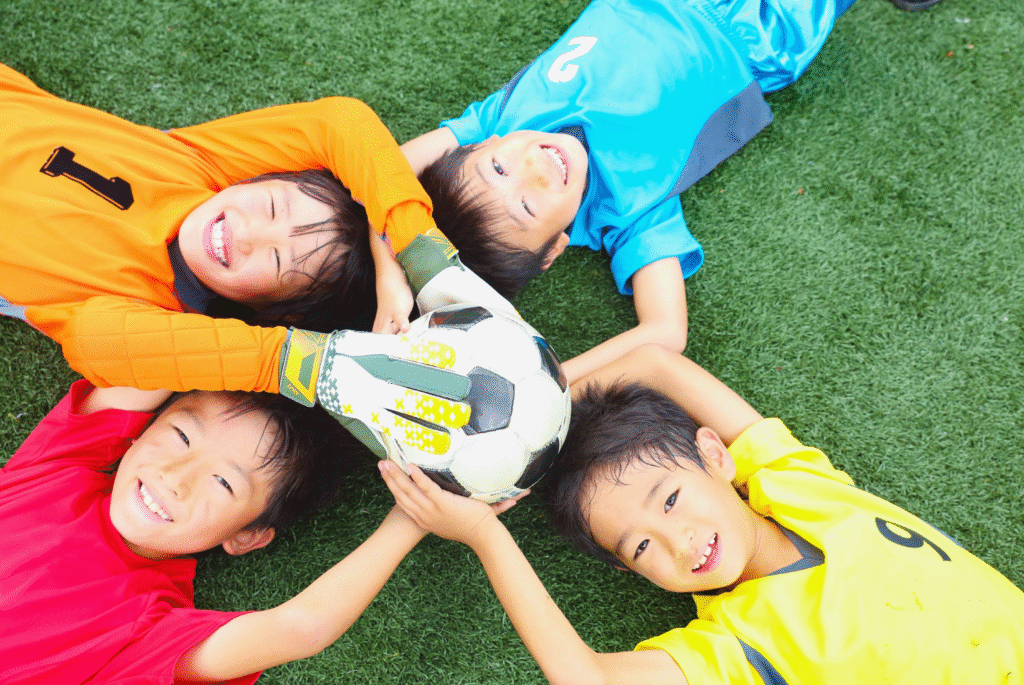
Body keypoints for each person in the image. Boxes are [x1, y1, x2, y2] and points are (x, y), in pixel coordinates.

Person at [382, 343, 1024, 683]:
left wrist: (518, 431)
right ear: (629, 572)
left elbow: (656, 365)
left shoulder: (797, 484)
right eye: (639, 548)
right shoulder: (737, 648)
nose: (679, 541)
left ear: (716, 456)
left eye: (669, 498)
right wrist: (484, 534)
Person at [402, 0, 882, 385]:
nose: (535, 169)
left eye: (500, 168)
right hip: (758, 32)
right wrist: (549, 385)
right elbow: (666, 331)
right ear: (552, 250)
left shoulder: (500, 121)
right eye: (528, 206)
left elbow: (392, 168)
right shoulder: (629, 212)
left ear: (482, 145)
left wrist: (392, 261)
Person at [0, 378, 522, 684]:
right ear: (140, 431)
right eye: (180, 434)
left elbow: (299, 628)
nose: (177, 479)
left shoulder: (150, 624)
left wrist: (412, 517)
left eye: (224, 483)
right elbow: (166, 354)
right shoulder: (61, 467)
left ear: (247, 536)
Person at [0, 61, 454, 397]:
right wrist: (412, 246)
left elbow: (99, 343)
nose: (250, 234)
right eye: (273, 206)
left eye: (277, 261)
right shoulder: (202, 166)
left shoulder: (143, 314)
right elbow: (338, 121)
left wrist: (329, 365)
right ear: (263, 176)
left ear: (272, 312)